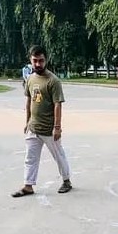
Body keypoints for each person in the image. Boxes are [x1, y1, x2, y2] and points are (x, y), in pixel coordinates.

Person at [12, 45, 72, 197]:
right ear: (30, 60)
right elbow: (29, 101)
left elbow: (58, 104)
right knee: (30, 158)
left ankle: (66, 181)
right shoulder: (30, 79)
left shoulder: (53, 81)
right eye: (35, 61)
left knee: (59, 156)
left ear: (46, 60)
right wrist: (27, 122)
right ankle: (28, 186)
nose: (38, 64)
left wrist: (57, 127)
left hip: (49, 129)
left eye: (41, 61)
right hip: (33, 128)